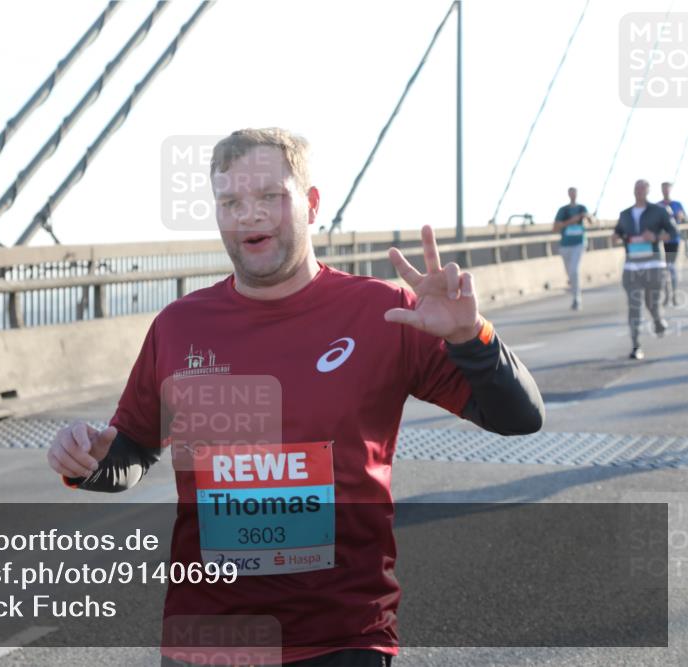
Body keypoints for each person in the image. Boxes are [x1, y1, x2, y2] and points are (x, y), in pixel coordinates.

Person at [46, 128, 544, 666]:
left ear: (310, 204)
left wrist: (472, 340)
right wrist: (90, 461)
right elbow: (134, 450)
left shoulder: (384, 313)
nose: (250, 215)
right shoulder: (178, 326)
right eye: (231, 201)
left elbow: (520, 418)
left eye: (269, 197)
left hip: (341, 638)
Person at [613, 179, 679, 360]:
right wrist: (616, 236)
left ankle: (658, 321)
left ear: (648, 191)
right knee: (634, 307)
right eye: (637, 188)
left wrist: (655, 236)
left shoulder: (659, 211)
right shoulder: (625, 214)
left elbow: (673, 233)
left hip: (653, 266)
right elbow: (618, 232)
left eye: (643, 188)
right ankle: (636, 346)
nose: (639, 191)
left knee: (652, 305)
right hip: (631, 266)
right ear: (633, 191)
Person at [552, 187, 592, 310]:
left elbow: (592, 221)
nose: (573, 195)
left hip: (579, 243)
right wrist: (571, 221)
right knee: (570, 273)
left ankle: (577, 299)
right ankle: (574, 288)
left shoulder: (582, 208)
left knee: (574, 270)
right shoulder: (563, 210)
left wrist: (587, 216)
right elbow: (555, 227)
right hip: (565, 245)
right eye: (571, 192)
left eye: (574, 192)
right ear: (568, 194)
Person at [659, 181, 686, 306]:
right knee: (663, 269)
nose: (665, 191)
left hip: (673, 240)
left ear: (670, 190)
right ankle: (667, 295)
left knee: (670, 267)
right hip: (660, 241)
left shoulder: (677, 204)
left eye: (667, 189)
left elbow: (684, 218)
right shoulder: (658, 206)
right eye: (663, 189)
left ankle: (674, 295)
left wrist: (680, 216)